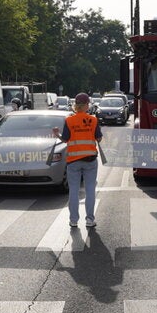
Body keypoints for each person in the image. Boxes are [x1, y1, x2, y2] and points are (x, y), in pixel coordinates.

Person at [53, 92, 103, 228]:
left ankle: (73, 220)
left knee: (74, 190)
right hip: (90, 160)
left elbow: (65, 139)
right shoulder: (93, 120)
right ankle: (90, 219)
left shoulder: (69, 120)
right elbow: (99, 138)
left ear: (76, 105)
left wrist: (57, 134)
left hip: (73, 161)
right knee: (90, 190)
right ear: (87, 105)